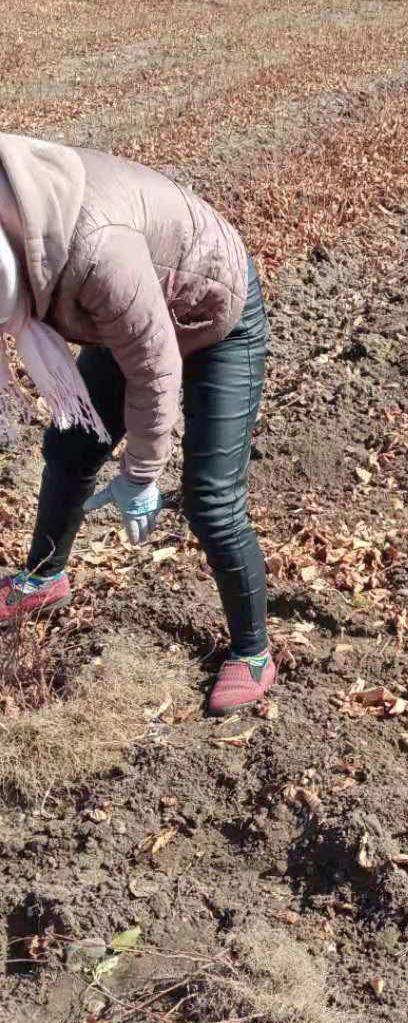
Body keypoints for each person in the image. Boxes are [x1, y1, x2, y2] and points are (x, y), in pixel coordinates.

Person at [0, 132, 275, 715]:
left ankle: (253, 651)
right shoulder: (15, 220)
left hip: (215, 311)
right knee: (70, 448)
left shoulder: (95, 254)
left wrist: (141, 474)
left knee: (210, 498)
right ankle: (44, 577)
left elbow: (155, 367)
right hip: (141, 303)